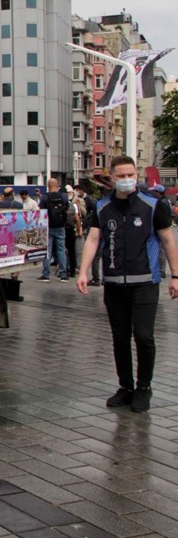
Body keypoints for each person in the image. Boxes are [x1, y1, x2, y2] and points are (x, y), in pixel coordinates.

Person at [77, 156, 178, 413]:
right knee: (120, 337)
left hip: (145, 282)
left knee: (144, 336)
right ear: (111, 178)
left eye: (130, 174)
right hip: (113, 283)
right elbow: (93, 239)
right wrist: (84, 271)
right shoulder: (102, 207)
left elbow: (168, 240)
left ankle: (144, 388)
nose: (126, 180)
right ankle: (126, 387)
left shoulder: (153, 205)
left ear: (137, 174)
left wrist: (176, 276)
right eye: (120, 176)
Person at [38, 178, 69, 283]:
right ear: (57, 185)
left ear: (48, 185)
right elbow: (67, 207)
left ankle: (46, 275)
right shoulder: (63, 196)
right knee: (61, 250)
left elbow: (40, 211)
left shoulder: (45, 197)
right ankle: (63, 275)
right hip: (60, 226)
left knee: (48, 251)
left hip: (48, 226)